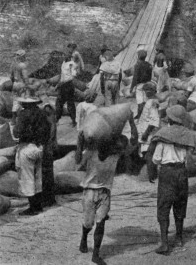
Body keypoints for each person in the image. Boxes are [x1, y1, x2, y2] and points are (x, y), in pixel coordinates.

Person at [151, 105, 196, 254]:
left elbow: (156, 159)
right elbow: (194, 153)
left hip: (167, 173)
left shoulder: (163, 135)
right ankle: (179, 238)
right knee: (180, 205)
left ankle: (165, 243)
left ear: (170, 119)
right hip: (181, 172)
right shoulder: (188, 135)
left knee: (164, 206)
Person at [77, 133, 130, 265]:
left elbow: (127, 145)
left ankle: (96, 254)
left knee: (100, 223)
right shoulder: (91, 153)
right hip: (89, 191)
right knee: (88, 223)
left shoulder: (115, 156)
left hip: (105, 192)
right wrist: (79, 144)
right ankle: (84, 238)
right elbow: (78, 160)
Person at [14, 92, 50, 215]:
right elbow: (47, 130)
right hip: (39, 147)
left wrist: (14, 115)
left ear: (25, 103)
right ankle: (38, 206)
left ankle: (32, 208)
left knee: (27, 178)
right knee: (37, 178)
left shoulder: (23, 114)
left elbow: (17, 133)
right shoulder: (41, 113)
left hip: (27, 147)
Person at [52, 47, 77, 127]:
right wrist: (58, 84)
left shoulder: (72, 64)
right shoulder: (63, 63)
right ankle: (57, 119)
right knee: (59, 103)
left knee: (70, 103)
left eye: (66, 55)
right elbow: (62, 76)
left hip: (68, 85)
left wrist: (71, 69)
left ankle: (73, 121)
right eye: (64, 55)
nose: (64, 56)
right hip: (63, 85)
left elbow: (73, 75)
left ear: (69, 56)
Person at [130, 49, 152, 120]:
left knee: (140, 102)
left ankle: (139, 116)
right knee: (145, 100)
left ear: (138, 56)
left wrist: (132, 87)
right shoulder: (149, 65)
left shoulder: (137, 65)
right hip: (146, 84)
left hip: (139, 85)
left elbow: (135, 77)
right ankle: (145, 115)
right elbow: (150, 77)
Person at [10, 50, 30, 124]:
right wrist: (27, 85)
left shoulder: (13, 65)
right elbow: (25, 77)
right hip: (21, 84)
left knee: (15, 102)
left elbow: (11, 76)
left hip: (15, 84)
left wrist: (13, 84)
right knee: (24, 101)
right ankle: (22, 120)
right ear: (23, 56)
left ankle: (13, 120)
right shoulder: (22, 65)